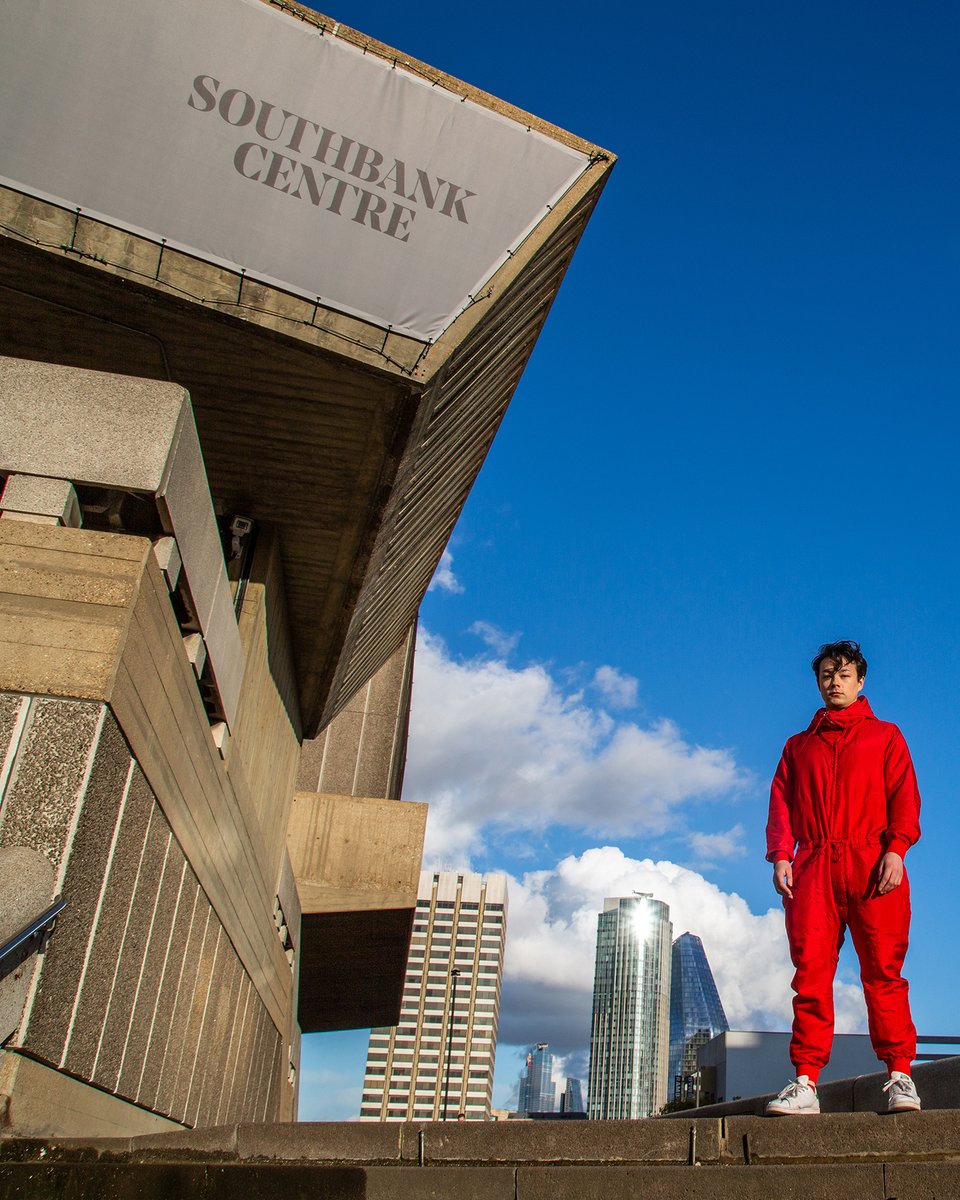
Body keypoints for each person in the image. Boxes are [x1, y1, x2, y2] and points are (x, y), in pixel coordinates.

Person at [764, 640, 921, 1116]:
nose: (835, 681)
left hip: (873, 865)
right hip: (813, 868)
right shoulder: (798, 746)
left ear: (861, 681)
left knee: (883, 973)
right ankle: (806, 1083)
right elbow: (781, 804)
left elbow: (904, 797)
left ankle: (900, 1077)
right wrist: (780, 856)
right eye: (827, 674)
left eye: (844, 673)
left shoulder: (886, 736)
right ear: (818, 683)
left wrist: (896, 849)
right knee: (810, 974)